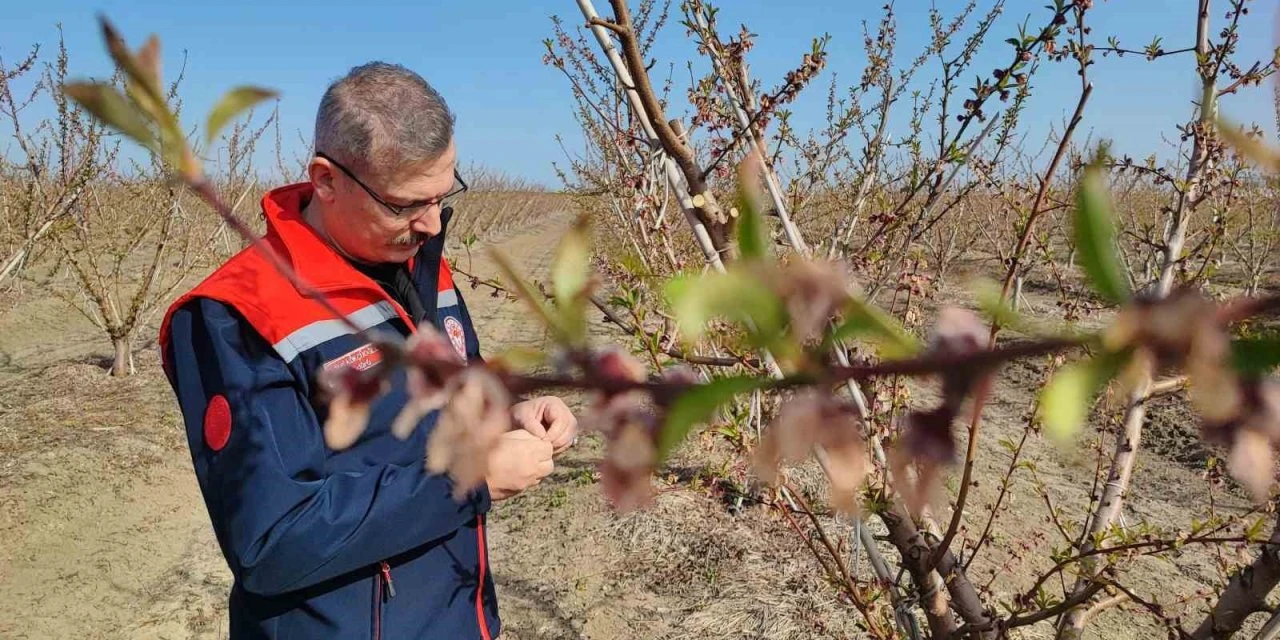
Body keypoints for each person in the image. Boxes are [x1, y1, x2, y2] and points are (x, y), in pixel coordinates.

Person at [157, 62, 576, 640]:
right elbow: (272, 540)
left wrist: (512, 415)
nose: (431, 225)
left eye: (443, 194)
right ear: (326, 180)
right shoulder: (237, 316)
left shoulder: (419, 264)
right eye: (405, 204)